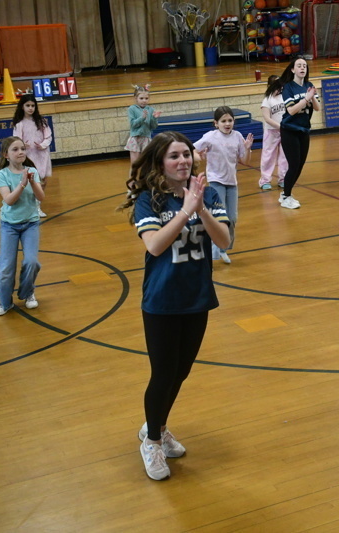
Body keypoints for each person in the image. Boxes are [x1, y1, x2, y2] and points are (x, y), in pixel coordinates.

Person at [117, 131, 231, 481]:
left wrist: (200, 209)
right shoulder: (148, 201)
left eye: (186, 154)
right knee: (163, 373)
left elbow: (225, 240)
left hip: (196, 297)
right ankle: (151, 440)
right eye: (174, 156)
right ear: (160, 163)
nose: (183, 161)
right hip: (162, 301)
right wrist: (184, 211)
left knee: (181, 372)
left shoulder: (207, 194)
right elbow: (154, 246)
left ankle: (159, 425)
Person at [193, 106, 253, 264]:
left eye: (230, 120)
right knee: (220, 216)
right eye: (223, 121)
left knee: (232, 218)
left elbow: (245, 161)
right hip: (215, 180)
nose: (227, 124)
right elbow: (192, 149)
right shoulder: (211, 137)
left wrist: (247, 149)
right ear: (216, 123)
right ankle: (213, 249)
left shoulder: (238, 136)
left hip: (231, 182)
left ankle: (223, 248)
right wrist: (199, 157)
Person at [0, 136, 45, 316]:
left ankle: (27, 292)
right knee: (6, 267)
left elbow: (41, 197)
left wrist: (31, 182)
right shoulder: (2, 175)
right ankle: (4, 302)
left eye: (22, 148)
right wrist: (22, 184)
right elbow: (9, 200)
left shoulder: (32, 171)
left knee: (32, 262)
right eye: (15, 149)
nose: (20, 152)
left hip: (30, 224)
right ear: (6, 154)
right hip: (9, 226)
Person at [272, 56, 321, 209]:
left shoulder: (309, 85)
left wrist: (312, 97)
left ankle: (285, 194)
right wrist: (306, 99)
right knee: (293, 165)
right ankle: (286, 196)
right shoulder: (288, 87)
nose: (302, 68)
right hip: (289, 130)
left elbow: (318, 107)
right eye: (299, 65)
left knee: (300, 165)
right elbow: (291, 110)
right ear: (293, 69)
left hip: (304, 130)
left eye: (304, 66)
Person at [12, 94, 52, 217]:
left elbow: (48, 136)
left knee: (43, 180)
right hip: (28, 156)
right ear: (22, 107)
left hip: (42, 153)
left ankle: (37, 205)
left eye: (33, 106)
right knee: (32, 181)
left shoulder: (41, 121)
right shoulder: (19, 123)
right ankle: (31, 207)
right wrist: (23, 146)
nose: (30, 108)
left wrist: (43, 144)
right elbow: (16, 139)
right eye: (27, 105)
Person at [258, 75, 289, 191]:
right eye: (276, 86)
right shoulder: (267, 100)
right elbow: (267, 118)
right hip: (271, 132)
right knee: (268, 156)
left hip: (285, 131)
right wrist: (280, 126)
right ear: (270, 86)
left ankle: (283, 179)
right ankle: (265, 180)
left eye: (280, 86)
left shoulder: (285, 97)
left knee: (285, 156)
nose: (279, 88)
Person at [125, 84, 162, 164]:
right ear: (136, 98)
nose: (144, 100)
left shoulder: (151, 109)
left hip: (146, 138)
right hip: (135, 138)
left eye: (146, 98)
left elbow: (153, 126)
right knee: (135, 164)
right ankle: (133, 176)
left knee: (147, 163)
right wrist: (142, 118)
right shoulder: (132, 109)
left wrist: (155, 118)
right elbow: (133, 124)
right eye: (141, 98)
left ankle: (145, 176)